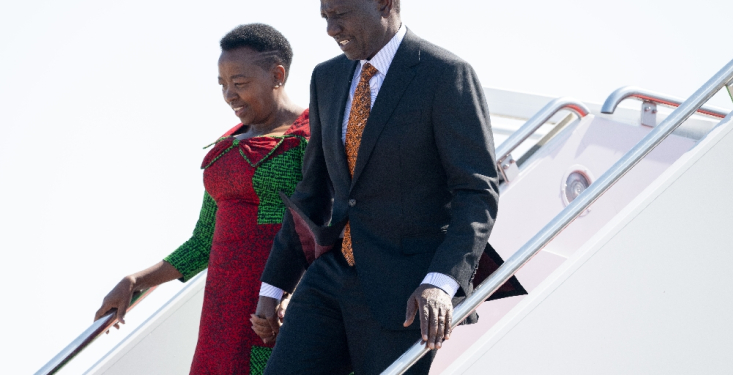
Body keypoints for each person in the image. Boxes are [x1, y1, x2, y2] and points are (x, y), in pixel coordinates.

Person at [253, 0, 525, 374]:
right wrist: (274, 285)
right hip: (328, 278)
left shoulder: (445, 75)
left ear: (385, 3)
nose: (331, 29)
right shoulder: (326, 78)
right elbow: (312, 190)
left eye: (340, 14)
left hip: (407, 296)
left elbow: (476, 192)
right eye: (325, 17)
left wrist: (441, 283)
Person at [94, 23, 308, 374]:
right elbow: (204, 242)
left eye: (239, 84)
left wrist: (290, 294)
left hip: (277, 309)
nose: (229, 95)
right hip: (223, 314)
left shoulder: (310, 136)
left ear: (277, 74)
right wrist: (136, 280)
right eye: (222, 85)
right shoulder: (227, 146)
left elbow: (326, 231)